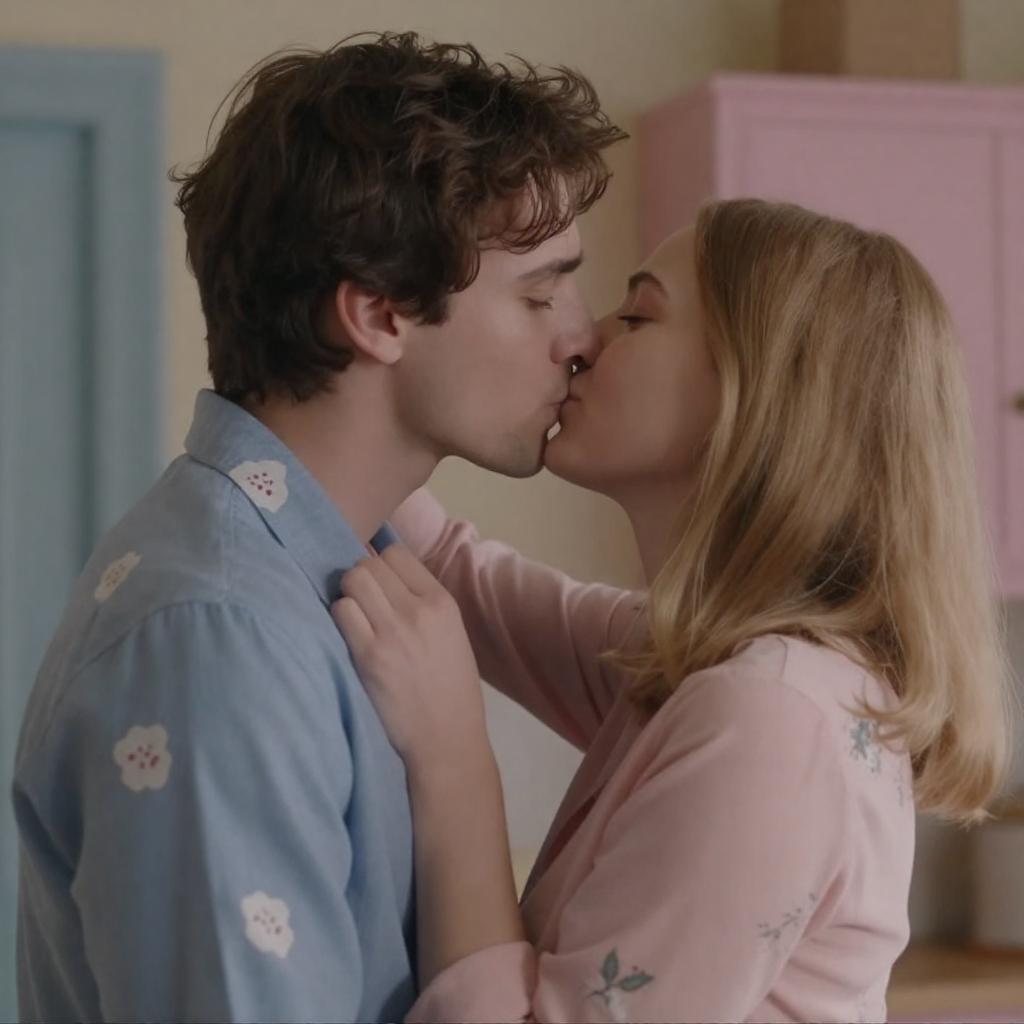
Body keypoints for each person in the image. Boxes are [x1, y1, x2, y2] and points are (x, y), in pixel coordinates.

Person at [11, 31, 625, 1023]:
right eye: (540, 293)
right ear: (378, 315)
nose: (581, 335)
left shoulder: (337, 568)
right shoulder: (219, 637)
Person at [335, 198, 1013, 1023]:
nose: (583, 341)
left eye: (637, 316)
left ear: (755, 398)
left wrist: (452, 762)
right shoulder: (709, 664)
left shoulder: (771, 715)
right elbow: (454, 571)